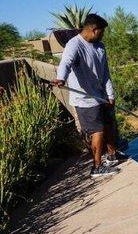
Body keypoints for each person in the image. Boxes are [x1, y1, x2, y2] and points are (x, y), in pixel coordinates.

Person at [52, 13, 128, 178]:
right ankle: (97, 167)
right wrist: (61, 78)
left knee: (108, 126)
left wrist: (110, 94)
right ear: (94, 30)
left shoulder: (100, 47)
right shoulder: (74, 45)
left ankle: (112, 155)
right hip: (85, 99)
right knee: (97, 131)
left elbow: (105, 73)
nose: (103, 35)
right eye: (102, 32)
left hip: (102, 96)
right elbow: (65, 62)